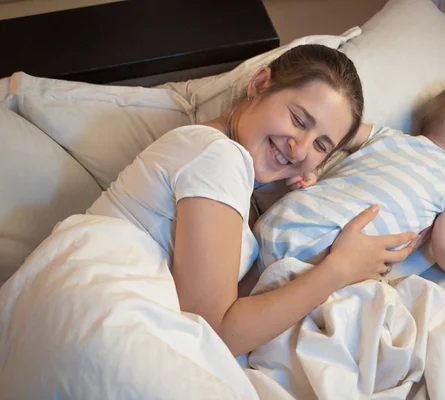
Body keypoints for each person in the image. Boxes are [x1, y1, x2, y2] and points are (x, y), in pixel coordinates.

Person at [87, 44, 419, 357]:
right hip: (105, 318)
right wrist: (339, 269)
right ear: (259, 84)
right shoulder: (218, 156)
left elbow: (235, 302)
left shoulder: (233, 179)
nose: (300, 149)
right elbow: (213, 331)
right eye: (299, 120)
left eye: (321, 146)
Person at [256, 83, 445, 277]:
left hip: (280, 222)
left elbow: (342, 131)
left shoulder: (388, 136)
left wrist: (315, 166)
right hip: (324, 255)